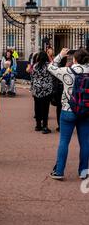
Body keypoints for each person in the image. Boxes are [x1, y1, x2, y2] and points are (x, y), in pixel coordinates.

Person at [48, 48, 89, 180]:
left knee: (64, 141)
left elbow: (51, 67)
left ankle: (59, 171)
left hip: (68, 109)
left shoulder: (67, 71)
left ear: (75, 59)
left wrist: (60, 55)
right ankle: (83, 171)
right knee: (85, 143)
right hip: (85, 111)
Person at [30, 51, 53, 134]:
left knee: (37, 107)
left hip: (36, 90)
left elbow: (32, 77)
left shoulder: (35, 66)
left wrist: (32, 88)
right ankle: (45, 126)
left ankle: (38, 125)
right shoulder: (48, 66)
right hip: (46, 90)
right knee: (45, 109)